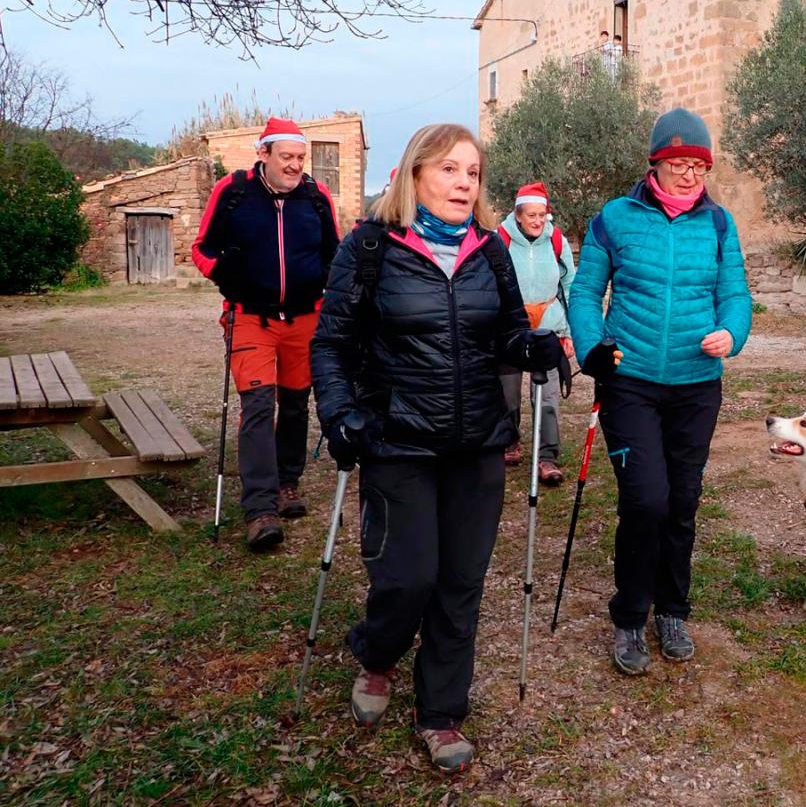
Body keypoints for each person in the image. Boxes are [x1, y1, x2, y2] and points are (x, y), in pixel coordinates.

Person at [309, 124, 563, 773]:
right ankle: (376, 653)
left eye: (472, 173)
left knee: (460, 583)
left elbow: (506, 333)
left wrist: (531, 347)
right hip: (397, 442)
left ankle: (441, 712)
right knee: (408, 577)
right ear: (415, 173)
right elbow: (332, 343)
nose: (463, 183)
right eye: (449, 169)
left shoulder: (491, 250)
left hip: (477, 444)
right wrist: (339, 413)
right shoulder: (371, 246)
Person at [569, 107, 751, 675]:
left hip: (697, 387)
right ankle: (629, 616)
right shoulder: (614, 218)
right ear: (655, 164)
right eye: (679, 164)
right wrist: (592, 345)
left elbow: (736, 295)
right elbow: (584, 292)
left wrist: (732, 333)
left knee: (682, 502)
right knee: (646, 499)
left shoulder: (718, 224)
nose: (690, 175)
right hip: (630, 383)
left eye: (699, 165)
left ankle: (672, 610)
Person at [192, 116, 340, 552]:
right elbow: (202, 247)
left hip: (305, 317)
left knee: (295, 404)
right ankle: (259, 510)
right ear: (264, 154)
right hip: (250, 317)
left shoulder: (316, 196)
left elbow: (334, 253)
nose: (295, 165)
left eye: (300, 157)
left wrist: (332, 287)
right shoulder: (234, 191)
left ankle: (286, 483)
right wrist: (221, 271)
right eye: (287, 157)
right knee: (258, 405)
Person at [497, 181, 577, 484]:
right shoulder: (499, 240)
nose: (537, 221)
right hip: (510, 328)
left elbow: (569, 285)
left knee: (547, 398)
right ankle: (509, 443)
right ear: (518, 215)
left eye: (542, 215)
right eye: (531, 215)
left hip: (548, 326)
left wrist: (568, 331)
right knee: (507, 395)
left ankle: (546, 458)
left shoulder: (556, 241)